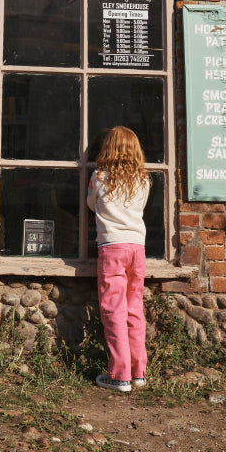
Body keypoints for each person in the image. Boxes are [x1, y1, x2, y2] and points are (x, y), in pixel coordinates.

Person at [87, 125, 151, 393]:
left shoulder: (99, 177)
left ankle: (120, 375)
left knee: (113, 311)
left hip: (112, 247)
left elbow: (92, 204)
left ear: (108, 148)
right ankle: (139, 372)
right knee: (134, 309)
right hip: (137, 248)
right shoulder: (144, 180)